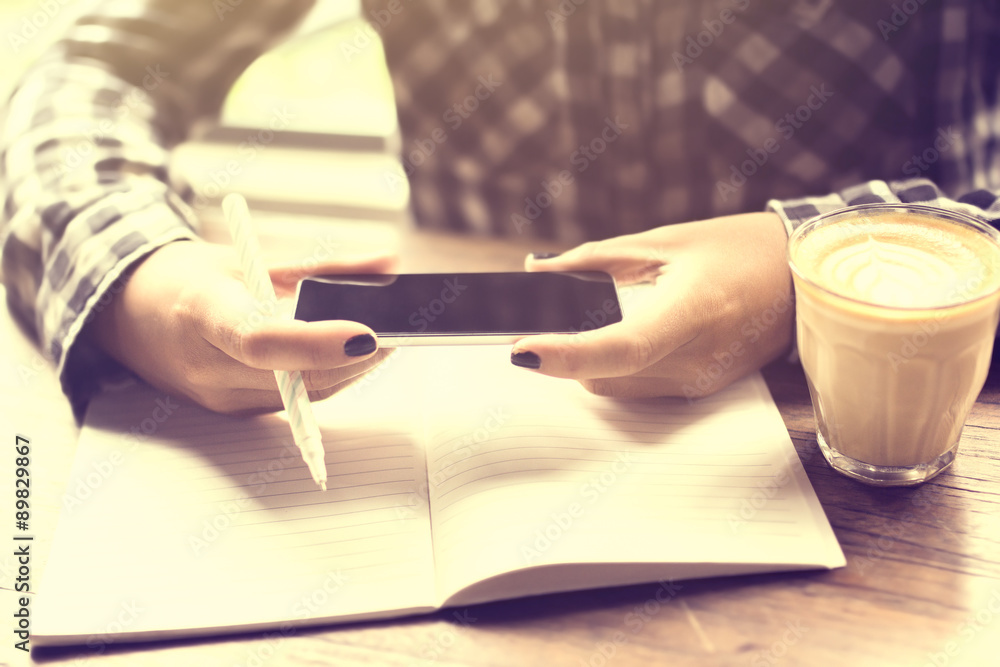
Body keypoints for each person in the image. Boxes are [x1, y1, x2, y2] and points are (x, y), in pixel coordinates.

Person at [2, 0, 998, 418]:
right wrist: (139, 268)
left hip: (845, 431)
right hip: (450, 401)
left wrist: (801, 268)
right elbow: (97, 67)